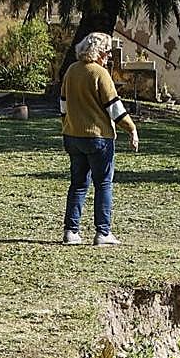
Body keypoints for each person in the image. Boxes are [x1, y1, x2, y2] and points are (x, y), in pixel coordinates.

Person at [59, 32, 139, 246]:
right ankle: (103, 232)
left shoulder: (71, 71)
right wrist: (131, 129)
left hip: (73, 136)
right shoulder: (100, 73)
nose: (109, 56)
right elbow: (114, 108)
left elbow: (63, 105)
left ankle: (71, 231)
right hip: (98, 137)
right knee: (103, 183)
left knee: (77, 184)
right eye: (107, 52)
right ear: (99, 52)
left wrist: (67, 124)